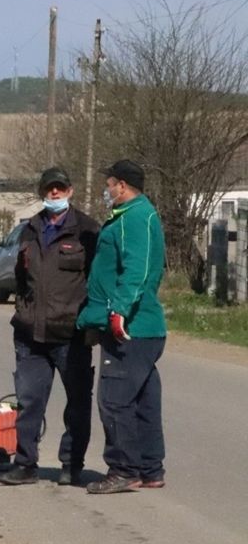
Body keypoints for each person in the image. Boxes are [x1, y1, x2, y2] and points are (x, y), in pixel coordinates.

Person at [0, 167, 100, 487]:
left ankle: (72, 464)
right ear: (43, 193)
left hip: (71, 335)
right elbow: (19, 276)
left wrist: (91, 320)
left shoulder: (87, 230)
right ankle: (25, 463)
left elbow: (98, 280)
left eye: (60, 188)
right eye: (49, 189)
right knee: (29, 402)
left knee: (78, 402)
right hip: (31, 334)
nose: (54, 194)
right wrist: (22, 309)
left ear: (70, 191)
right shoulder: (30, 229)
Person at [77, 160, 167, 494]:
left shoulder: (136, 218)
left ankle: (124, 469)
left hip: (131, 328)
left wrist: (118, 311)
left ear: (123, 186)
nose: (107, 189)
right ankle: (149, 468)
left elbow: (137, 269)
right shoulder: (126, 217)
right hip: (138, 327)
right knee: (143, 400)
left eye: (110, 183)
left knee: (114, 400)